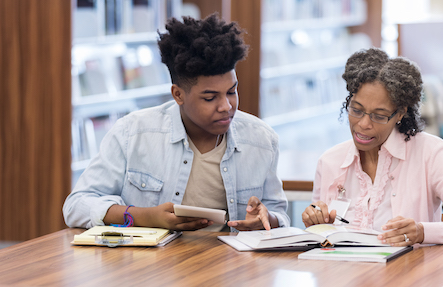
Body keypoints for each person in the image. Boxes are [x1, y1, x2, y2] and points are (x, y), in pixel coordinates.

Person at [63, 13, 290, 232]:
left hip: (232, 267)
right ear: (178, 95)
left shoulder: (261, 140)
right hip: (151, 268)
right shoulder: (132, 134)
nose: (226, 106)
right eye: (210, 98)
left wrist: (266, 218)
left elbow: (279, 214)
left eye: (231, 91)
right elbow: (77, 205)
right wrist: (143, 216)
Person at [302, 48, 443, 246]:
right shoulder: (330, 161)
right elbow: (322, 239)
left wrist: (422, 232)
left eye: (379, 115)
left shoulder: (430, 154)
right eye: (356, 110)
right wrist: (317, 223)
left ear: (400, 113)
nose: (364, 124)